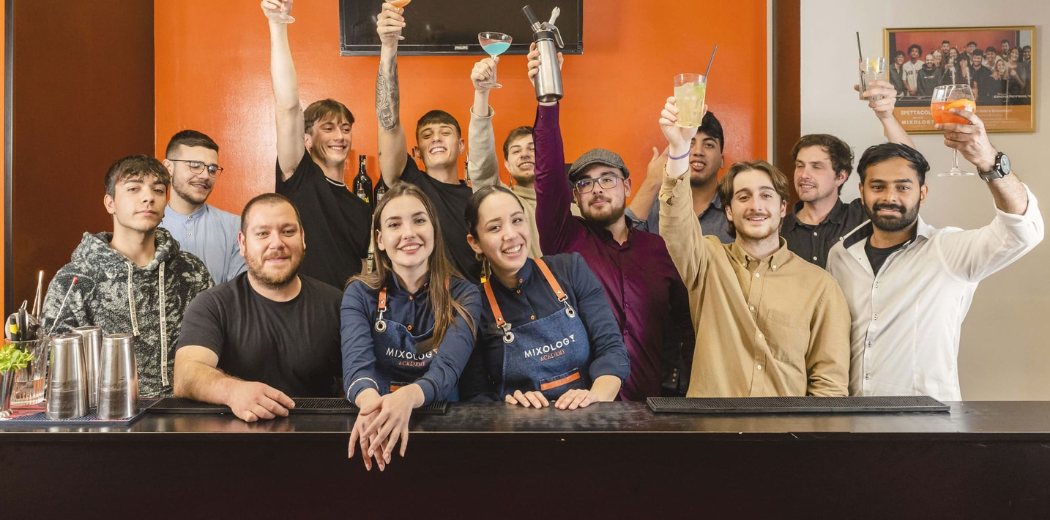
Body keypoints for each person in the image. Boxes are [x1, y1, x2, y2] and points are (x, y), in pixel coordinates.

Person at [826, 112, 1043, 402]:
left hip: (927, 421)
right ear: (862, 192)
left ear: (922, 193)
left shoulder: (949, 251)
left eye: (903, 187)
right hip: (852, 418)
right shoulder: (840, 255)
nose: (889, 197)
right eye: (878, 187)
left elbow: (1023, 232)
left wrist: (990, 162)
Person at [529, 47, 695, 400]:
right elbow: (547, 174)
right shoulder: (565, 240)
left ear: (628, 186)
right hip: (579, 406)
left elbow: (684, 324)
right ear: (575, 197)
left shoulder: (656, 248)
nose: (597, 189)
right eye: (585, 183)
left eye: (607, 179)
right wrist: (547, 99)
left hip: (652, 408)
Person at [657, 99, 850, 398]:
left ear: (783, 208)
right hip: (712, 425)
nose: (756, 206)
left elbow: (830, 386)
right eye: (743, 197)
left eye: (766, 196)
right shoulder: (707, 261)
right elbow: (676, 224)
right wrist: (679, 148)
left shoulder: (821, 287)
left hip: (786, 428)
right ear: (729, 211)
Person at [42, 156, 213, 398]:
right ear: (110, 203)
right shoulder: (74, 279)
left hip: (185, 410)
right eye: (134, 188)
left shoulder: (191, 271)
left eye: (158, 190)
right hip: (105, 415)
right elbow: (53, 371)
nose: (148, 197)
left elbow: (215, 346)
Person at [343, 183, 481, 471]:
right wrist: (371, 406)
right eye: (394, 224)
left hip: (444, 433)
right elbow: (357, 368)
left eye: (419, 220)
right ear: (380, 239)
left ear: (434, 231)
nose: (408, 233)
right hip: (377, 430)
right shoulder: (359, 293)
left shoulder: (464, 295)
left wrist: (406, 398)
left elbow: (447, 370)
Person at [173, 194, 343, 421]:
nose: (277, 243)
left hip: (317, 435)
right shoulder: (212, 305)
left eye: (288, 231)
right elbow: (186, 375)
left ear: (303, 238)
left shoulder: (337, 304)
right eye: (263, 233)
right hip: (235, 438)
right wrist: (233, 391)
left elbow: (360, 379)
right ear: (242, 243)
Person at [459, 185, 630, 409]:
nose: (511, 235)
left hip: (592, 420)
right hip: (519, 428)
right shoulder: (474, 306)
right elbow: (475, 395)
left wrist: (593, 399)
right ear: (475, 242)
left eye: (517, 220)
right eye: (495, 227)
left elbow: (612, 351)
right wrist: (508, 411)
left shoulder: (571, 269)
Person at [374, 3, 491, 283]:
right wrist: (388, 46)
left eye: (444, 132)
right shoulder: (410, 184)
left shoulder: (477, 197)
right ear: (416, 152)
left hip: (469, 304)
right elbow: (389, 123)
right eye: (427, 135)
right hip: (418, 304)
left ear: (461, 145)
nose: (436, 138)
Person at [264, 0, 372, 290]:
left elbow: (362, 271)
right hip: (299, 310)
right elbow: (288, 106)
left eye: (345, 129)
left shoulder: (360, 207)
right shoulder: (300, 177)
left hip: (346, 313)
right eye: (328, 128)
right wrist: (278, 25)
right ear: (307, 139)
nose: (340, 136)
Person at [782, 79, 914, 269]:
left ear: (841, 176)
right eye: (800, 166)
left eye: (817, 167)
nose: (804, 174)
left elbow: (908, 167)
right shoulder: (778, 226)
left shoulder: (863, 216)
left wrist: (886, 117)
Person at [465, 58, 580, 259]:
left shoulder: (574, 212)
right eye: (516, 151)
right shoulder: (503, 203)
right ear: (507, 165)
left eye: (532, 149)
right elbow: (482, 165)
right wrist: (481, 93)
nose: (524, 154)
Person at [627, 111, 732, 243]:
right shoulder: (656, 207)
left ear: (721, 160)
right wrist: (652, 181)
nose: (698, 152)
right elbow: (618, 243)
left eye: (709, 145)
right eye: (689, 143)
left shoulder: (735, 208)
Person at [160, 130, 246, 285]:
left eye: (212, 169)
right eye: (195, 165)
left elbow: (238, 293)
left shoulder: (236, 228)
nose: (205, 176)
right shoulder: (148, 228)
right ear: (168, 168)